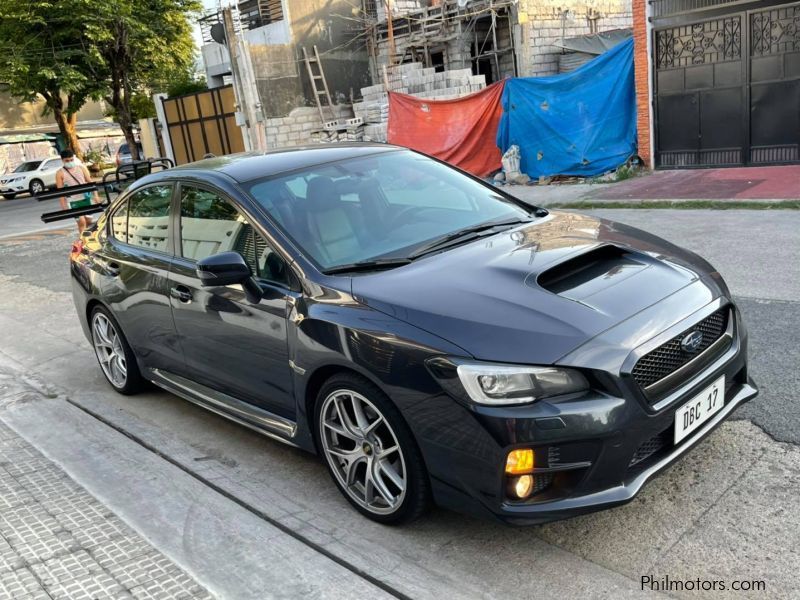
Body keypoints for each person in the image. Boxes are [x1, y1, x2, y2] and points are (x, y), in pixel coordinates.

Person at [56, 149, 98, 233]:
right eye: (67, 161)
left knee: (88, 221)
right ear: (62, 160)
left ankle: (87, 238)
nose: (70, 162)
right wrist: (63, 206)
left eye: (71, 160)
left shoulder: (81, 168)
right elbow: (60, 191)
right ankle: (82, 243)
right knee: (81, 222)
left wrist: (96, 196)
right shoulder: (60, 173)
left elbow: (91, 183)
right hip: (73, 201)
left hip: (86, 198)